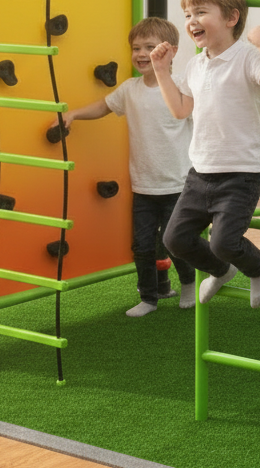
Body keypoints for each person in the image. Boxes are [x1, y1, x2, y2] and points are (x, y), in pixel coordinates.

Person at [150, 0, 260, 309]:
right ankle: (220, 271)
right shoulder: (196, 64)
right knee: (174, 239)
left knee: (225, 241)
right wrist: (160, 70)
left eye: (200, 12)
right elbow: (181, 109)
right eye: (187, 15)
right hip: (200, 173)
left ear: (231, 18)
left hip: (239, 174)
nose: (191, 21)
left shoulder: (246, 56)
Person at [54, 17, 196, 317]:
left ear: (171, 51)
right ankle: (148, 296)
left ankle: (188, 282)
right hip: (143, 185)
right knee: (142, 245)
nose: (141, 53)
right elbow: (104, 106)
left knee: (177, 242)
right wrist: (74, 114)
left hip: (179, 184)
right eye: (136, 48)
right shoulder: (130, 89)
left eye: (150, 47)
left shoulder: (182, 85)